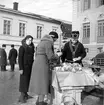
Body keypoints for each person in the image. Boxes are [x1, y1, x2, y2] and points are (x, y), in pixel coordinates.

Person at [29, 31, 59, 105]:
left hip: (37, 63)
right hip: (42, 64)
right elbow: (50, 56)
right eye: (55, 40)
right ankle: (41, 102)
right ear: (53, 38)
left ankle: (39, 100)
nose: (54, 41)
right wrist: (58, 55)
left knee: (39, 82)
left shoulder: (41, 42)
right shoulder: (48, 42)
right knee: (42, 82)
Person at [18, 35, 35, 103]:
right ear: (25, 40)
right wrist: (21, 68)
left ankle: (25, 94)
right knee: (23, 81)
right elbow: (20, 58)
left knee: (27, 80)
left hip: (29, 67)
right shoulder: (22, 47)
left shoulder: (31, 47)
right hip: (24, 67)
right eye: (28, 40)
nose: (30, 41)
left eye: (31, 40)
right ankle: (21, 96)